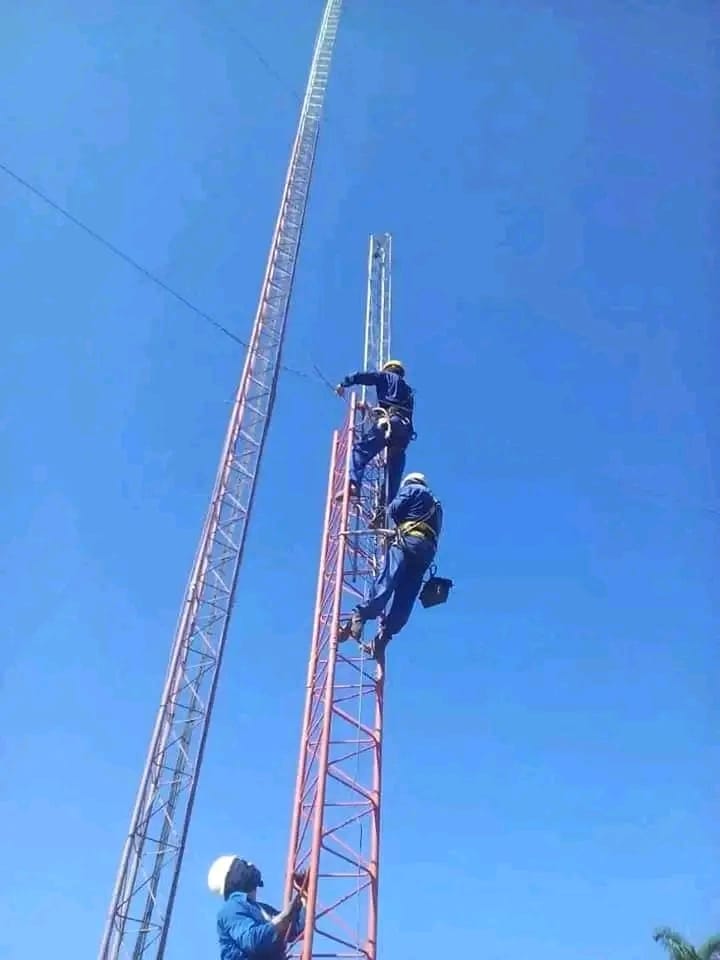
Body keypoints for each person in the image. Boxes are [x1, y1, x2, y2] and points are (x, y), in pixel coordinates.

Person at [338, 472, 442, 660]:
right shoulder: (437, 505)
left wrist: (388, 517)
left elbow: (394, 510)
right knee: (406, 596)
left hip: (407, 542)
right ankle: (383, 639)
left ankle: (361, 615)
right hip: (425, 553)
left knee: (388, 579)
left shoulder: (412, 489)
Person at [335, 359, 415, 504]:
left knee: (360, 450)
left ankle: (353, 485)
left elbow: (362, 376)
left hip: (388, 422)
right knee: (393, 473)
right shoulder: (408, 391)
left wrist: (344, 384)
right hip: (403, 431)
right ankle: (383, 509)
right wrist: (369, 409)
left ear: (387, 369)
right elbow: (399, 410)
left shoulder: (385, 376)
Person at [208, 855, 307, 960]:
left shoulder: (262, 909)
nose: (251, 864)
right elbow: (252, 941)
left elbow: (297, 929)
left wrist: (305, 893)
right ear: (234, 878)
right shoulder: (230, 909)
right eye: (244, 865)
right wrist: (282, 918)